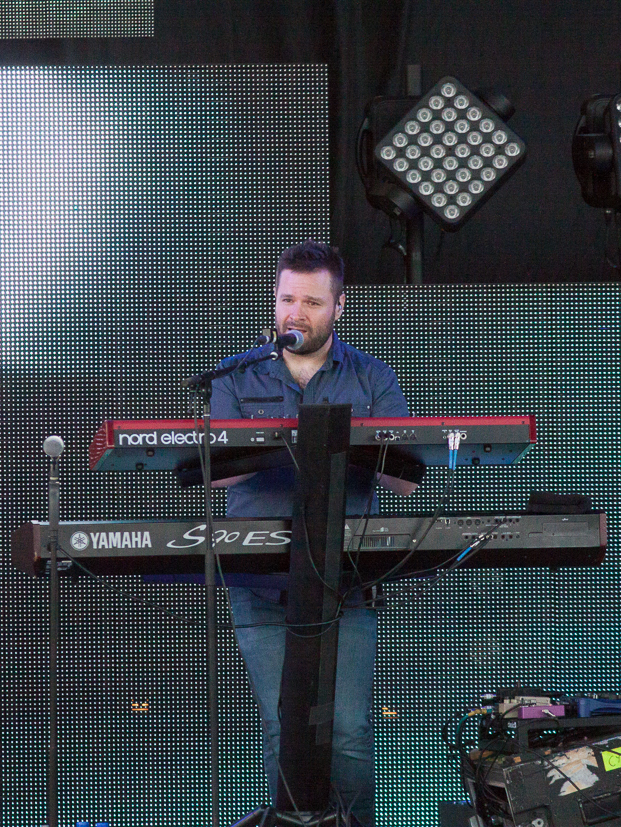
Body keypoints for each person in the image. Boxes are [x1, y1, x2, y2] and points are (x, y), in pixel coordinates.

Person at [210, 240, 415, 825]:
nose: (294, 313)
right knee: (283, 726)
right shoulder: (236, 376)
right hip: (260, 580)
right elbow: (217, 473)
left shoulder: (372, 377)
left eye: (311, 302)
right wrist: (278, 442)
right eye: (286, 299)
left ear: (339, 308)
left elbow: (405, 480)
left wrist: (355, 447)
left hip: (345, 581)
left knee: (347, 729)